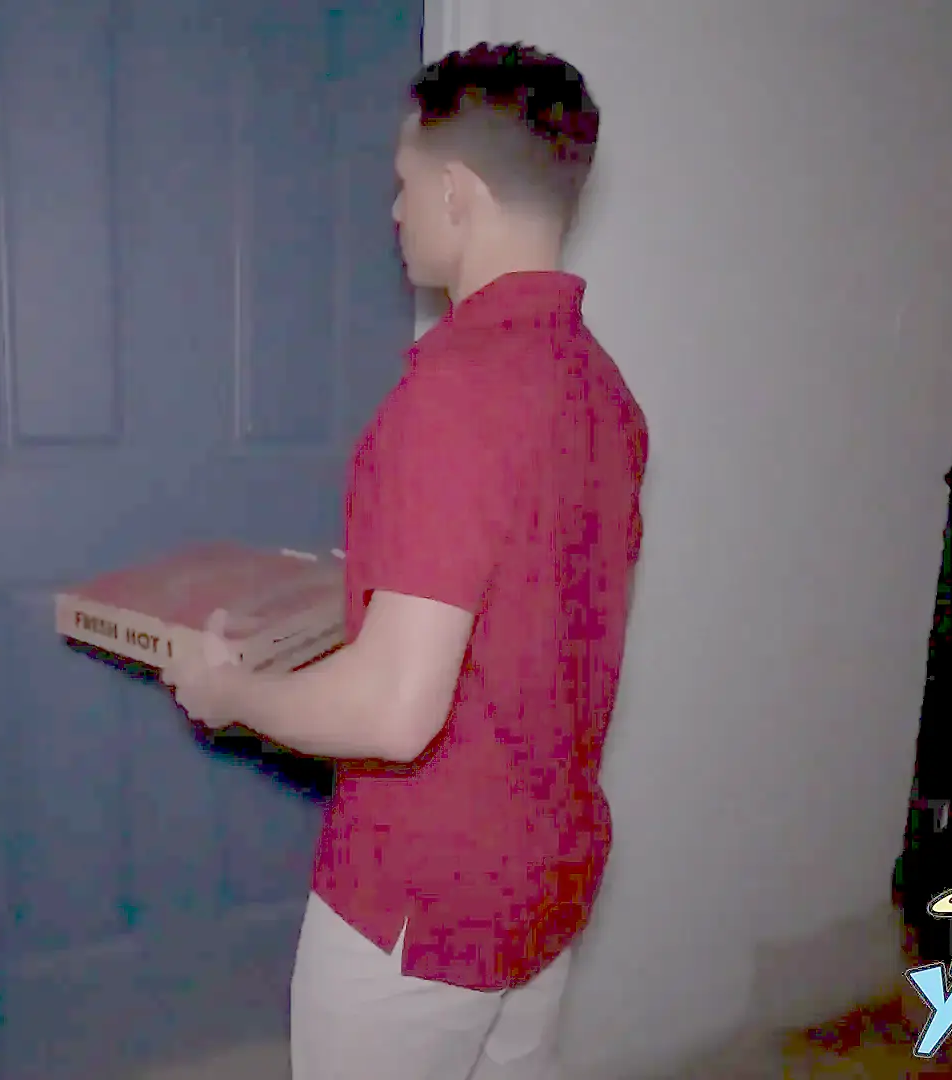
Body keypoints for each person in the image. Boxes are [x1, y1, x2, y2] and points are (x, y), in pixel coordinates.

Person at [163, 43, 649, 1080]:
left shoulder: (454, 393)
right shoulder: (601, 388)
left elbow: (394, 710)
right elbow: (523, 593)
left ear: (457, 191)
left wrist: (228, 692)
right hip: (545, 879)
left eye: (403, 183)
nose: (394, 211)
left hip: (420, 902)